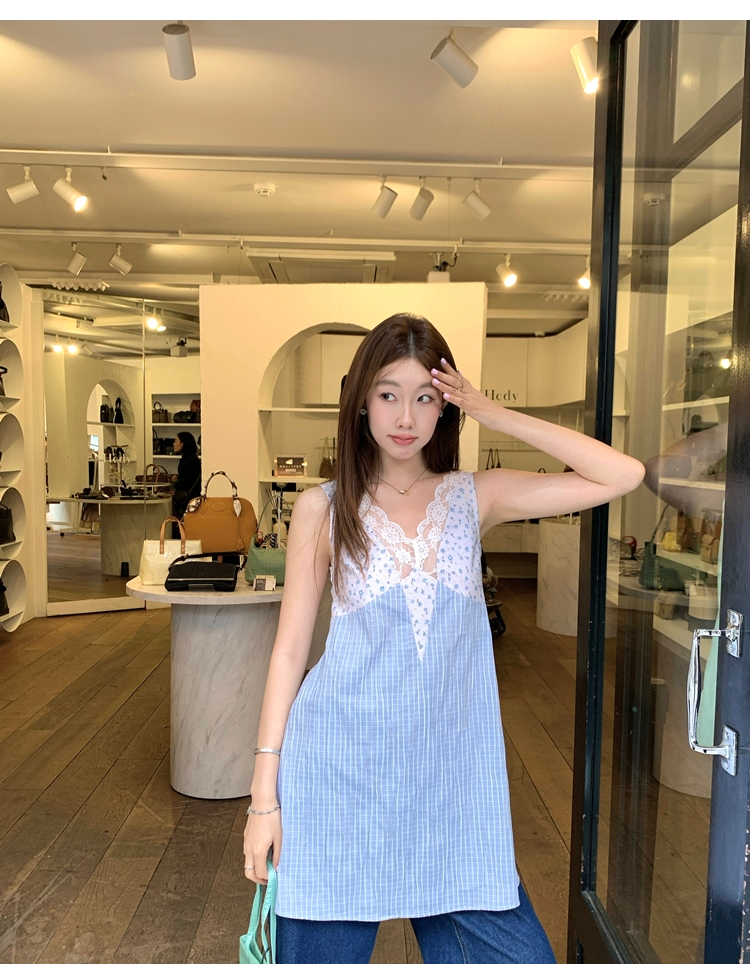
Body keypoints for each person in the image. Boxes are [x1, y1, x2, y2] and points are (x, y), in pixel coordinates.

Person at [244, 313, 644, 964]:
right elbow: (289, 652)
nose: (406, 417)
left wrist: (492, 411)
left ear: (446, 406)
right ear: (361, 402)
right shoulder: (324, 507)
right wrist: (264, 799)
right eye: (388, 394)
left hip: (452, 793)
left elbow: (621, 474)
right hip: (339, 783)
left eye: (426, 397)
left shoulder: (475, 497)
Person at [171, 431, 201, 522]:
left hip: (189, 499)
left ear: (182, 443)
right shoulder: (188, 458)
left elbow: (187, 481)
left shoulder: (190, 459)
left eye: (175, 441)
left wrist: (175, 483)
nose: (173, 444)